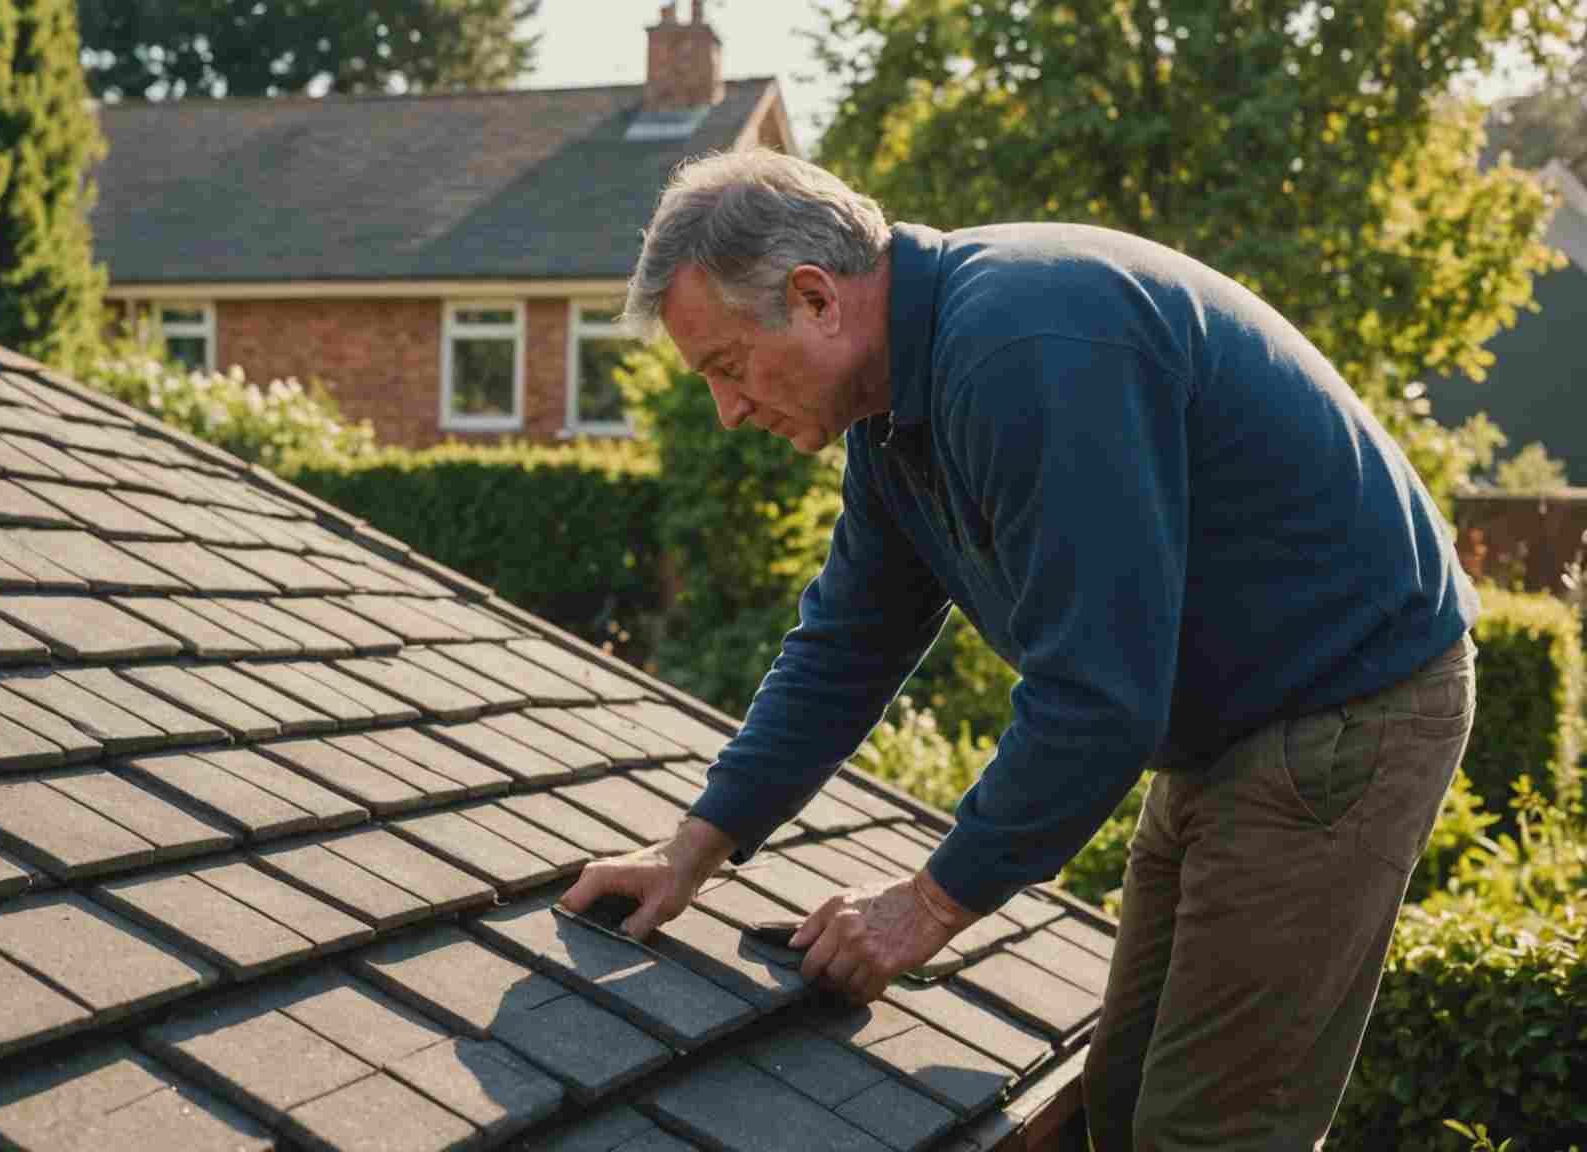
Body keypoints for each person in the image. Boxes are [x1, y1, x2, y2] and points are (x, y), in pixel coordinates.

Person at [558, 148, 1479, 1151]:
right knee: (1120, 1107)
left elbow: (1097, 700)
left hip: (1345, 707)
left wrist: (925, 907)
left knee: (1207, 1132)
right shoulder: (895, 419)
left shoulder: (1020, 350)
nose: (728, 411)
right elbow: (847, 644)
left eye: (727, 368)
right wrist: (690, 854)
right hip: (1234, 719)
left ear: (816, 298)